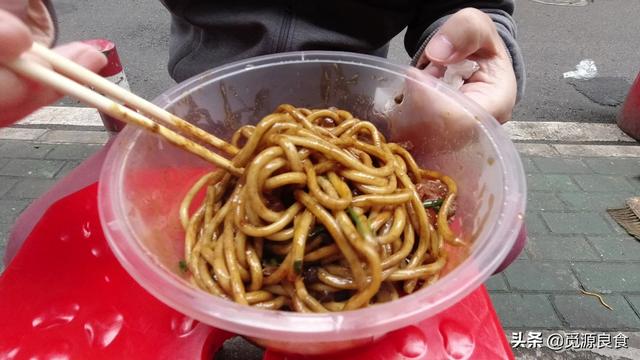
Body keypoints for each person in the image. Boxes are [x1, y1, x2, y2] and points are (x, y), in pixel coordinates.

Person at [0, 0, 526, 271]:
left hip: (363, 127)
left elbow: (472, 8)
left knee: (495, 237)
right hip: (196, 122)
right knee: (38, 243)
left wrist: (461, 60)